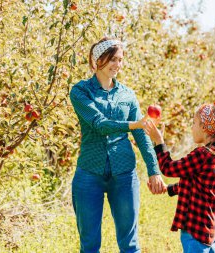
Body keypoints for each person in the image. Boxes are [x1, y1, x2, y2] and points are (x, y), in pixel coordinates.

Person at [69, 37, 166, 253]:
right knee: (89, 245)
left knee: (130, 244)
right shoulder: (80, 92)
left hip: (123, 174)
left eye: (120, 60)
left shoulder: (127, 95)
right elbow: (99, 124)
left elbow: (141, 135)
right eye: (112, 59)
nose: (117, 65)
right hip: (89, 174)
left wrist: (154, 170)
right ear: (97, 60)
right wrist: (134, 124)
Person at [144, 100, 215, 253]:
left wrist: (159, 142)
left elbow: (168, 168)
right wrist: (169, 189)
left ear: (205, 128)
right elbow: (197, 184)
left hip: (195, 231)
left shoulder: (202, 154)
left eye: (194, 123)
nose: (191, 128)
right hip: (208, 230)